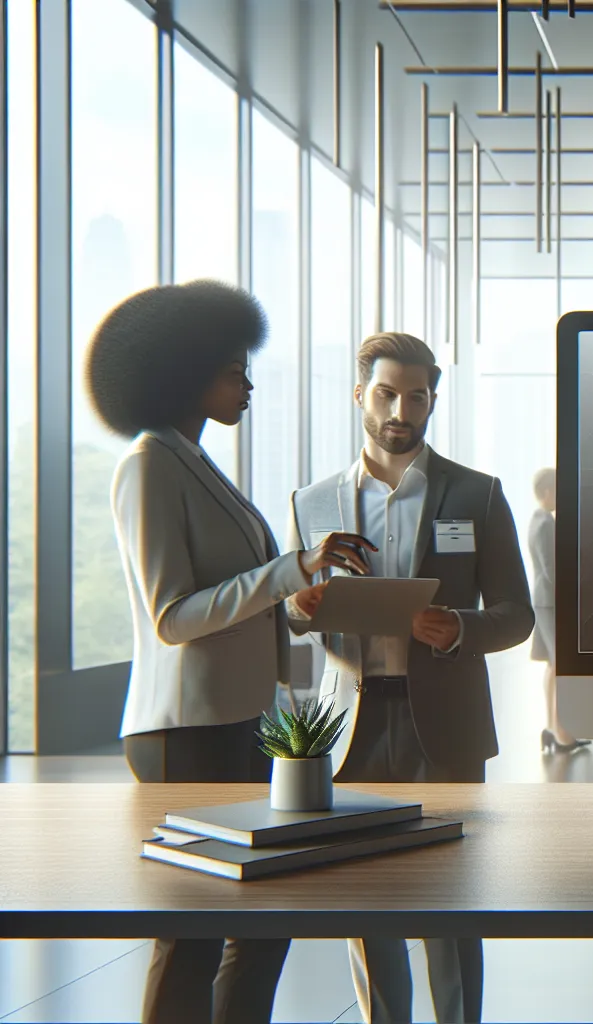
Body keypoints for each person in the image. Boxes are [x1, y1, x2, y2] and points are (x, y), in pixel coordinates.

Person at [93, 281, 373, 1024]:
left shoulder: (195, 461)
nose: (248, 384)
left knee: (262, 922)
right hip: (186, 733)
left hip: (241, 722)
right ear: (182, 373)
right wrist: (293, 569)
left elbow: (237, 595)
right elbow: (173, 618)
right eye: (232, 370)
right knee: (192, 933)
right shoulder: (150, 465)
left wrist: (294, 600)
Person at [287, 332, 534, 1024]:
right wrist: (298, 609)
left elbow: (518, 615)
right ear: (360, 394)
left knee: (451, 899)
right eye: (388, 393)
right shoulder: (311, 502)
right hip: (351, 728)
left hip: (444, 725)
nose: (402, 409)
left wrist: (459, 628)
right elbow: (293, 616)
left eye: (417, 396)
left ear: (432, 400)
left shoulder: (478, 495)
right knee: (365, 904)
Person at [528, 466, 588, 753]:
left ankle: (554, 729)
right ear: (549, 492)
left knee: (554, 665)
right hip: (552, 602)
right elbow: (553, 570)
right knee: (562, 666)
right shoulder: (545, 524)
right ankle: (562, 733)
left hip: (545, 601)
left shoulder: (538, 520)